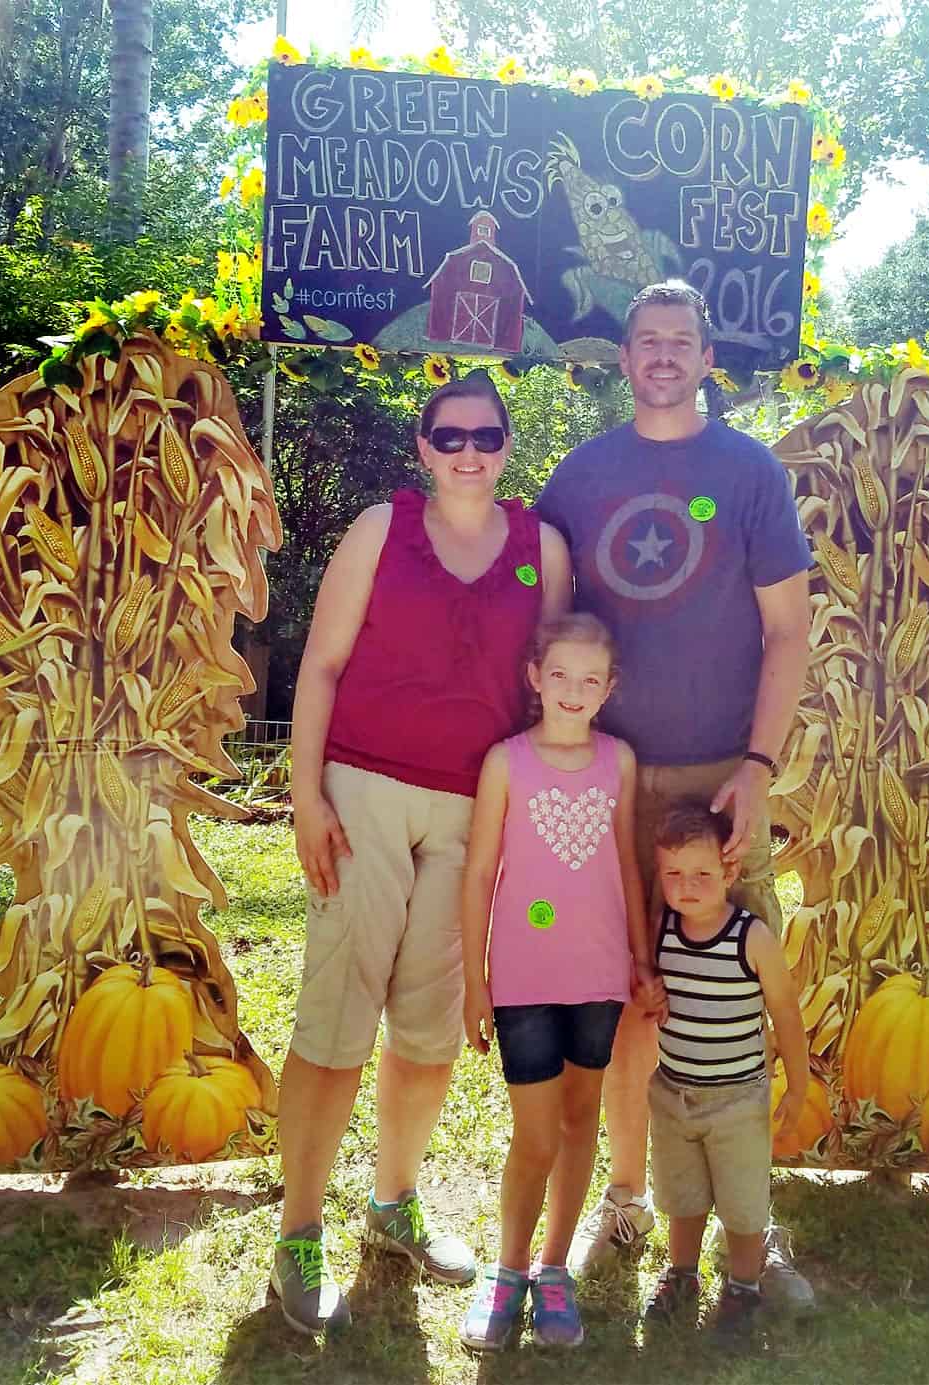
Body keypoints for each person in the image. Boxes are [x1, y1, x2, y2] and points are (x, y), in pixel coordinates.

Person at [272, 372, 571, 1335]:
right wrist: (304, 792)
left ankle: (392, 1204)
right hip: (362, 792)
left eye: (486, 433)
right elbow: (319, 664)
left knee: (431, 1031)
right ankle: (301, 1225)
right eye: (450, 436)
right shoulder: (380, 529)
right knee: (334, 1022)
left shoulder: (542, 548)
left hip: (471, 809)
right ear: (423, 447)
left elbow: (551, 687)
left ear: (508, 441)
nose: (469, 451)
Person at [535, 280, 816, 1303]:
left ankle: (752, 1219)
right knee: (623, 996)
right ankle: (624, 1195)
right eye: (645, 340)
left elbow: (788, 631)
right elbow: (550, 631)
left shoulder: (748, 473)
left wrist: (758, 764)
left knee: (733, 990)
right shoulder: (580, 474)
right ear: (625, 358)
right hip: (606, 781)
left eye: (680, 341)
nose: (662, 355)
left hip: (722, 778)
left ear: (707, 359)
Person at [456, 613, 663, 1351]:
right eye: (561, 675)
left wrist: (640, 959)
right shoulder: (506, 762)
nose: (574, 691)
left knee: (581, 1123)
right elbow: (479, 872)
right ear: (535, 677)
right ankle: (506, 1272)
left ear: (609, 689)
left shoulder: (621, 761)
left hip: (600, 975)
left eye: (590, 679)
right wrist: (477, 981)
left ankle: (552, 1272)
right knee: (535, 1135)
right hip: (522, 978)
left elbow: (627, 869)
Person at [642, 800, 809, 1334]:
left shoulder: (750, 936)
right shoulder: (662, 931)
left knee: (742, 1204)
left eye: (701, 874)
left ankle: (743, 1286)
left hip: (738, 1098)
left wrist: (797, 1088)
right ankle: (681, 1273)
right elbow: (647, 988)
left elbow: (785, 1015)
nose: (686, 886)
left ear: (729, 872)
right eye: (673, 874)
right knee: (681, 1195)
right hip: (673, 1093)